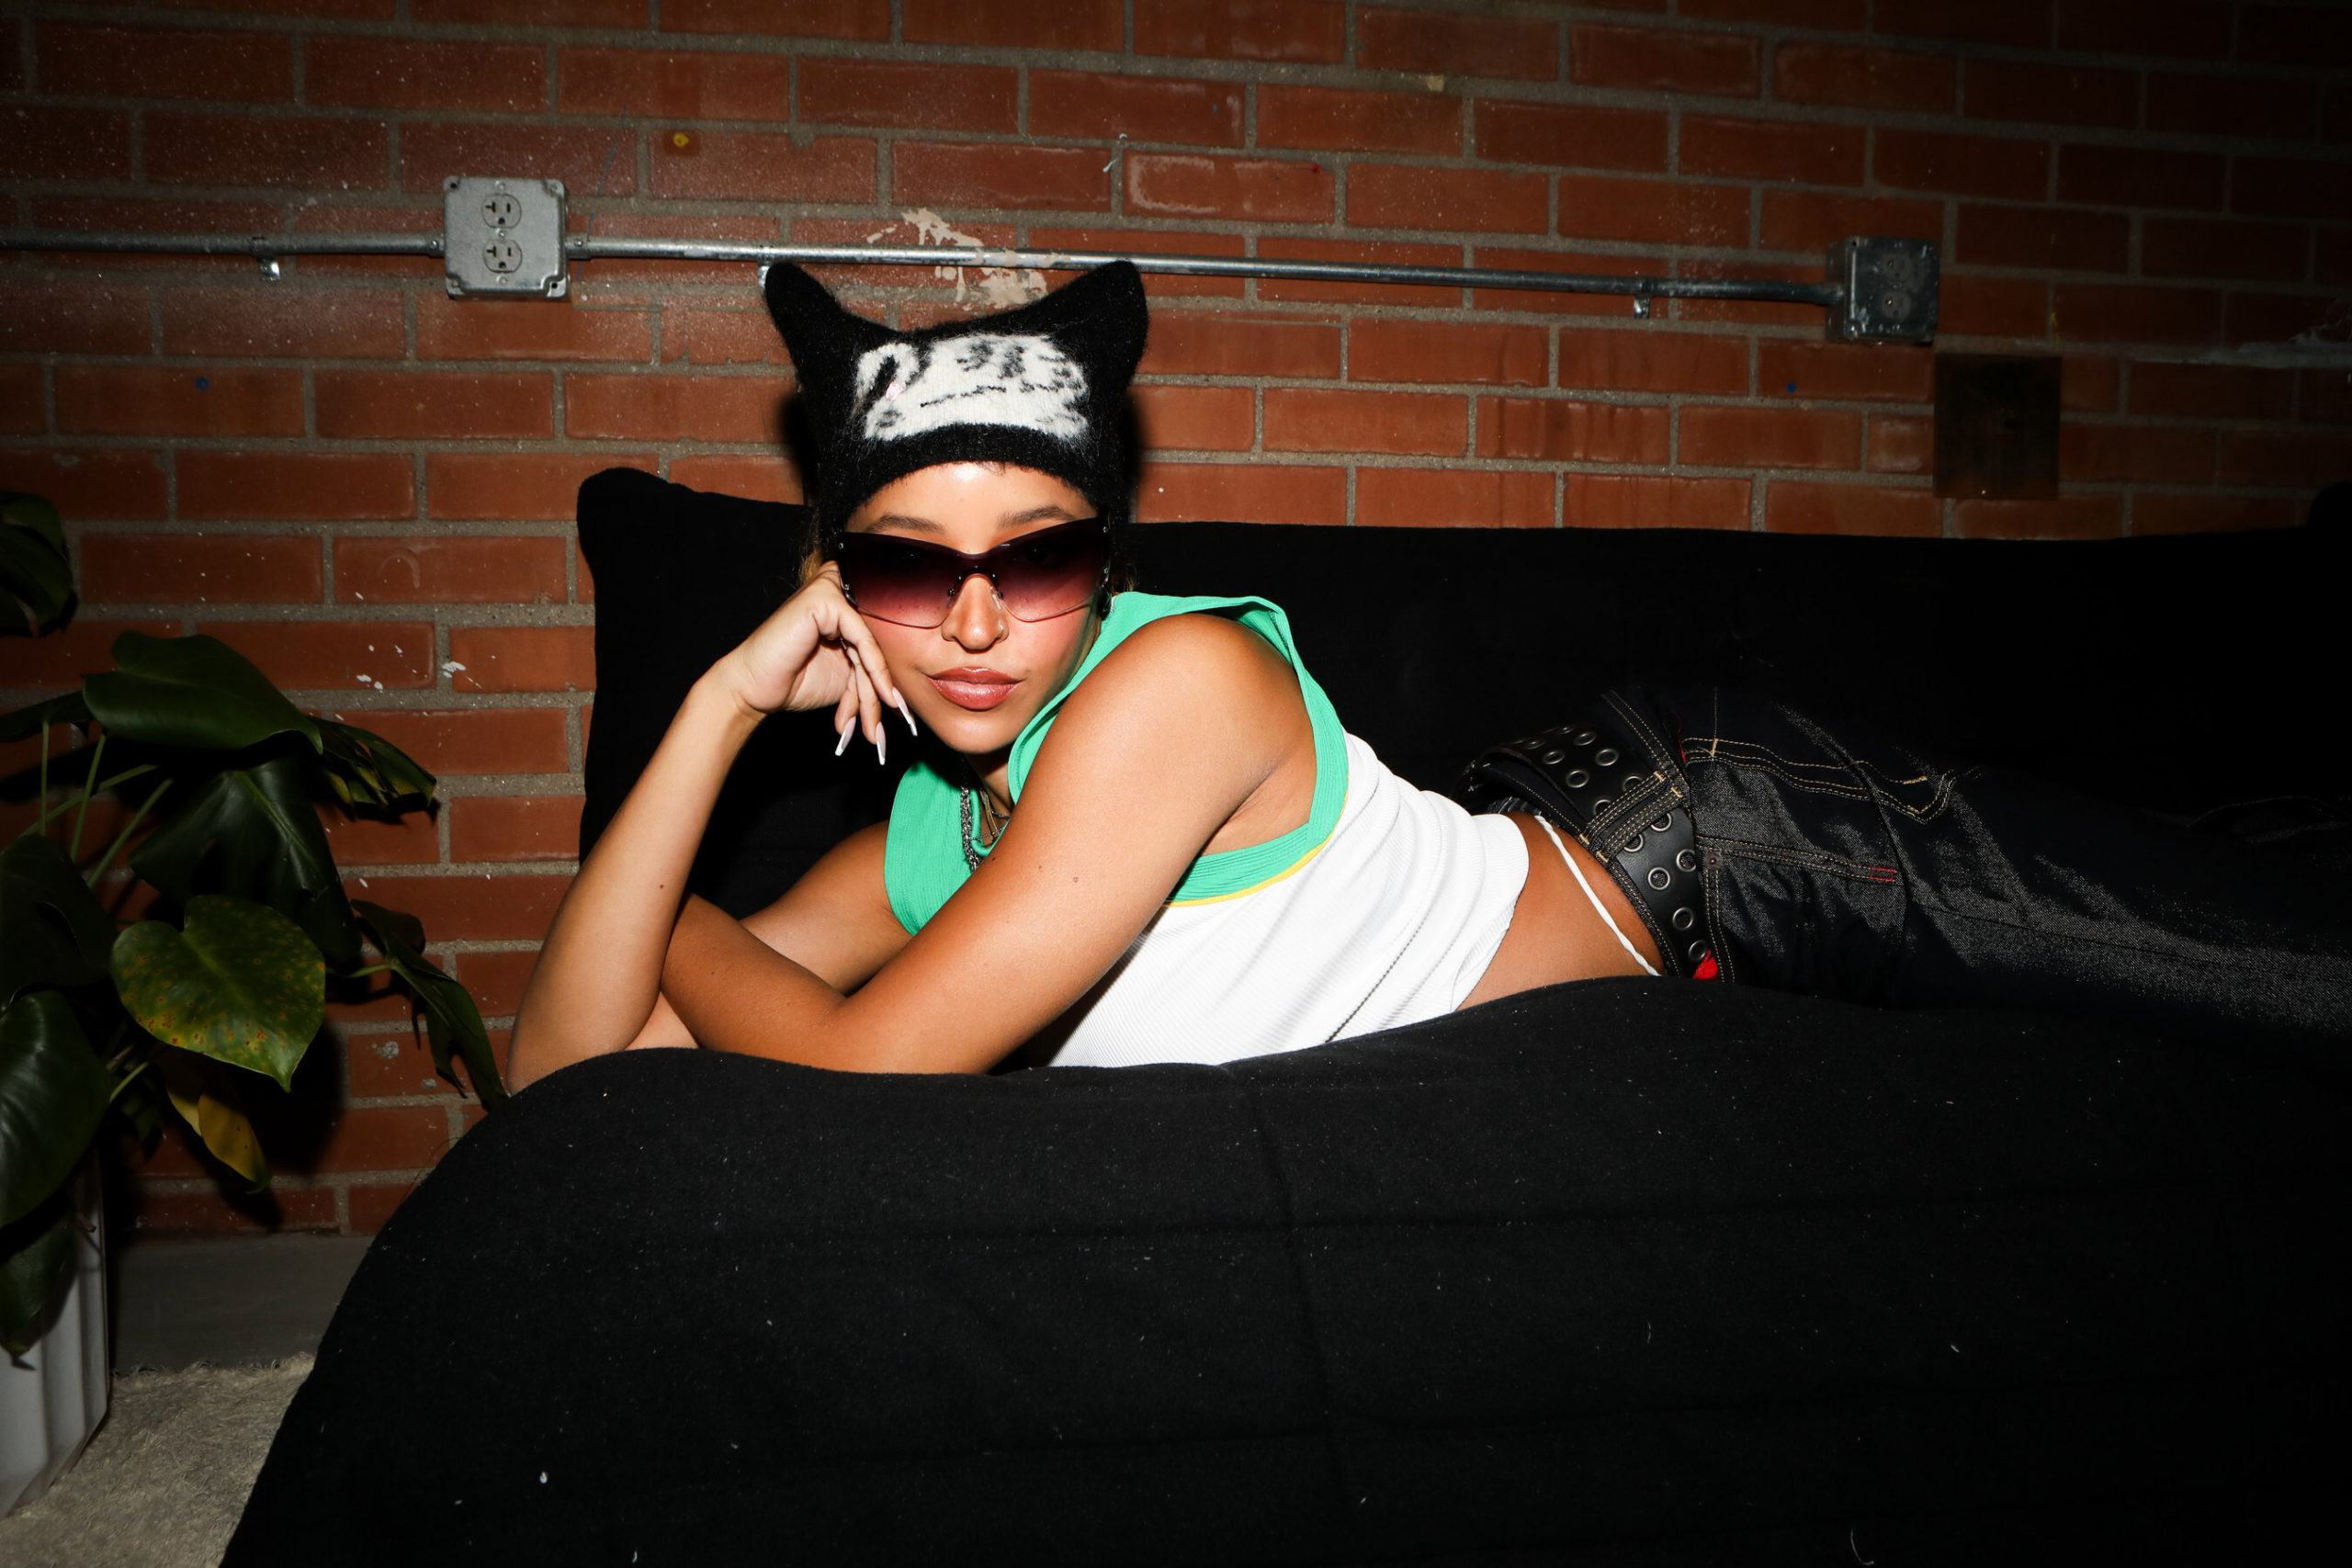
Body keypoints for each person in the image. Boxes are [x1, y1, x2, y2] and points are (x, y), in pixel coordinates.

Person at [507, 263, 2350, 1090]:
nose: (977, 623)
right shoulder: (926, 840)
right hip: (1553, 826)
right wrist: (713, 710)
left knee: (2247, 960)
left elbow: (872, 1054)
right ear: (839, 588)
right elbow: (564, 1070)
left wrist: (675, 907)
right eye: (913, 566)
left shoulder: (1173, 685)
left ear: (1105, 567)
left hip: (1716, 836)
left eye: (1038, 557)